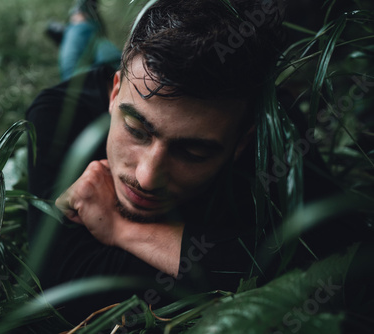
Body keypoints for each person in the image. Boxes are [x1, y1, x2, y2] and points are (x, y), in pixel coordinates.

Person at [26, 0, 362, 325]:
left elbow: (347, 260)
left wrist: (123, 230)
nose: (146, 178)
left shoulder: (274, 127)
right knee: (78, 64)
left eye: (192, 152)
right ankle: (81, 22)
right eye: (136, 130)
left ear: (243, 140)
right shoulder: (57, 114)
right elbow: (64, 284)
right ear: (115, 95)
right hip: (94, 81)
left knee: (107, 57)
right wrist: (221, 258)